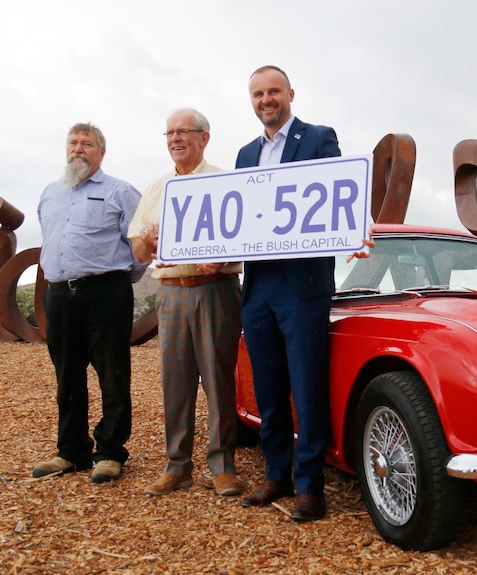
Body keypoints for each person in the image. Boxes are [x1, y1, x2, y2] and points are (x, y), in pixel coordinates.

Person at [234, 65, 342, 522]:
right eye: (258, 94)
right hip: (258, 285)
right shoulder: (244, 154)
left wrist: (359, 222)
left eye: (273, 91)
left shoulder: (318, 138)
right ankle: (275, 475)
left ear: (290, 94)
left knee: (306, 385)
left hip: (303, 286)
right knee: (269, 387)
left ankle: (310, 487)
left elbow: (340, 194)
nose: (266, 100)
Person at [129, 108, 245, 498]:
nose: (176, 139)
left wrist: (225, 257)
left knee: (218, 379)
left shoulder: (226, 181)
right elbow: (138, 249)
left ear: (204, 138)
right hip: (172, 292)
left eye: (184, 132)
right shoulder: (156, 188)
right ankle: (177, 465)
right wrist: (147, 236)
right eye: (170, 133)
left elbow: (244, 237)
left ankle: (223, 466)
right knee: (175, 382)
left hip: (216, 289)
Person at [34, 122, 148, 483]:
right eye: (73, 142)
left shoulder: (120, 192)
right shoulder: (50, 193)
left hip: (106, 294)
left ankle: (111, 452)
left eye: (86, 144)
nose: (78, 149)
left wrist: (116, 282)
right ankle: (71, 451)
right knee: (67, 375)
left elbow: (141, 246)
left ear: (101, 151)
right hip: (59, 295)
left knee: (112, 374)